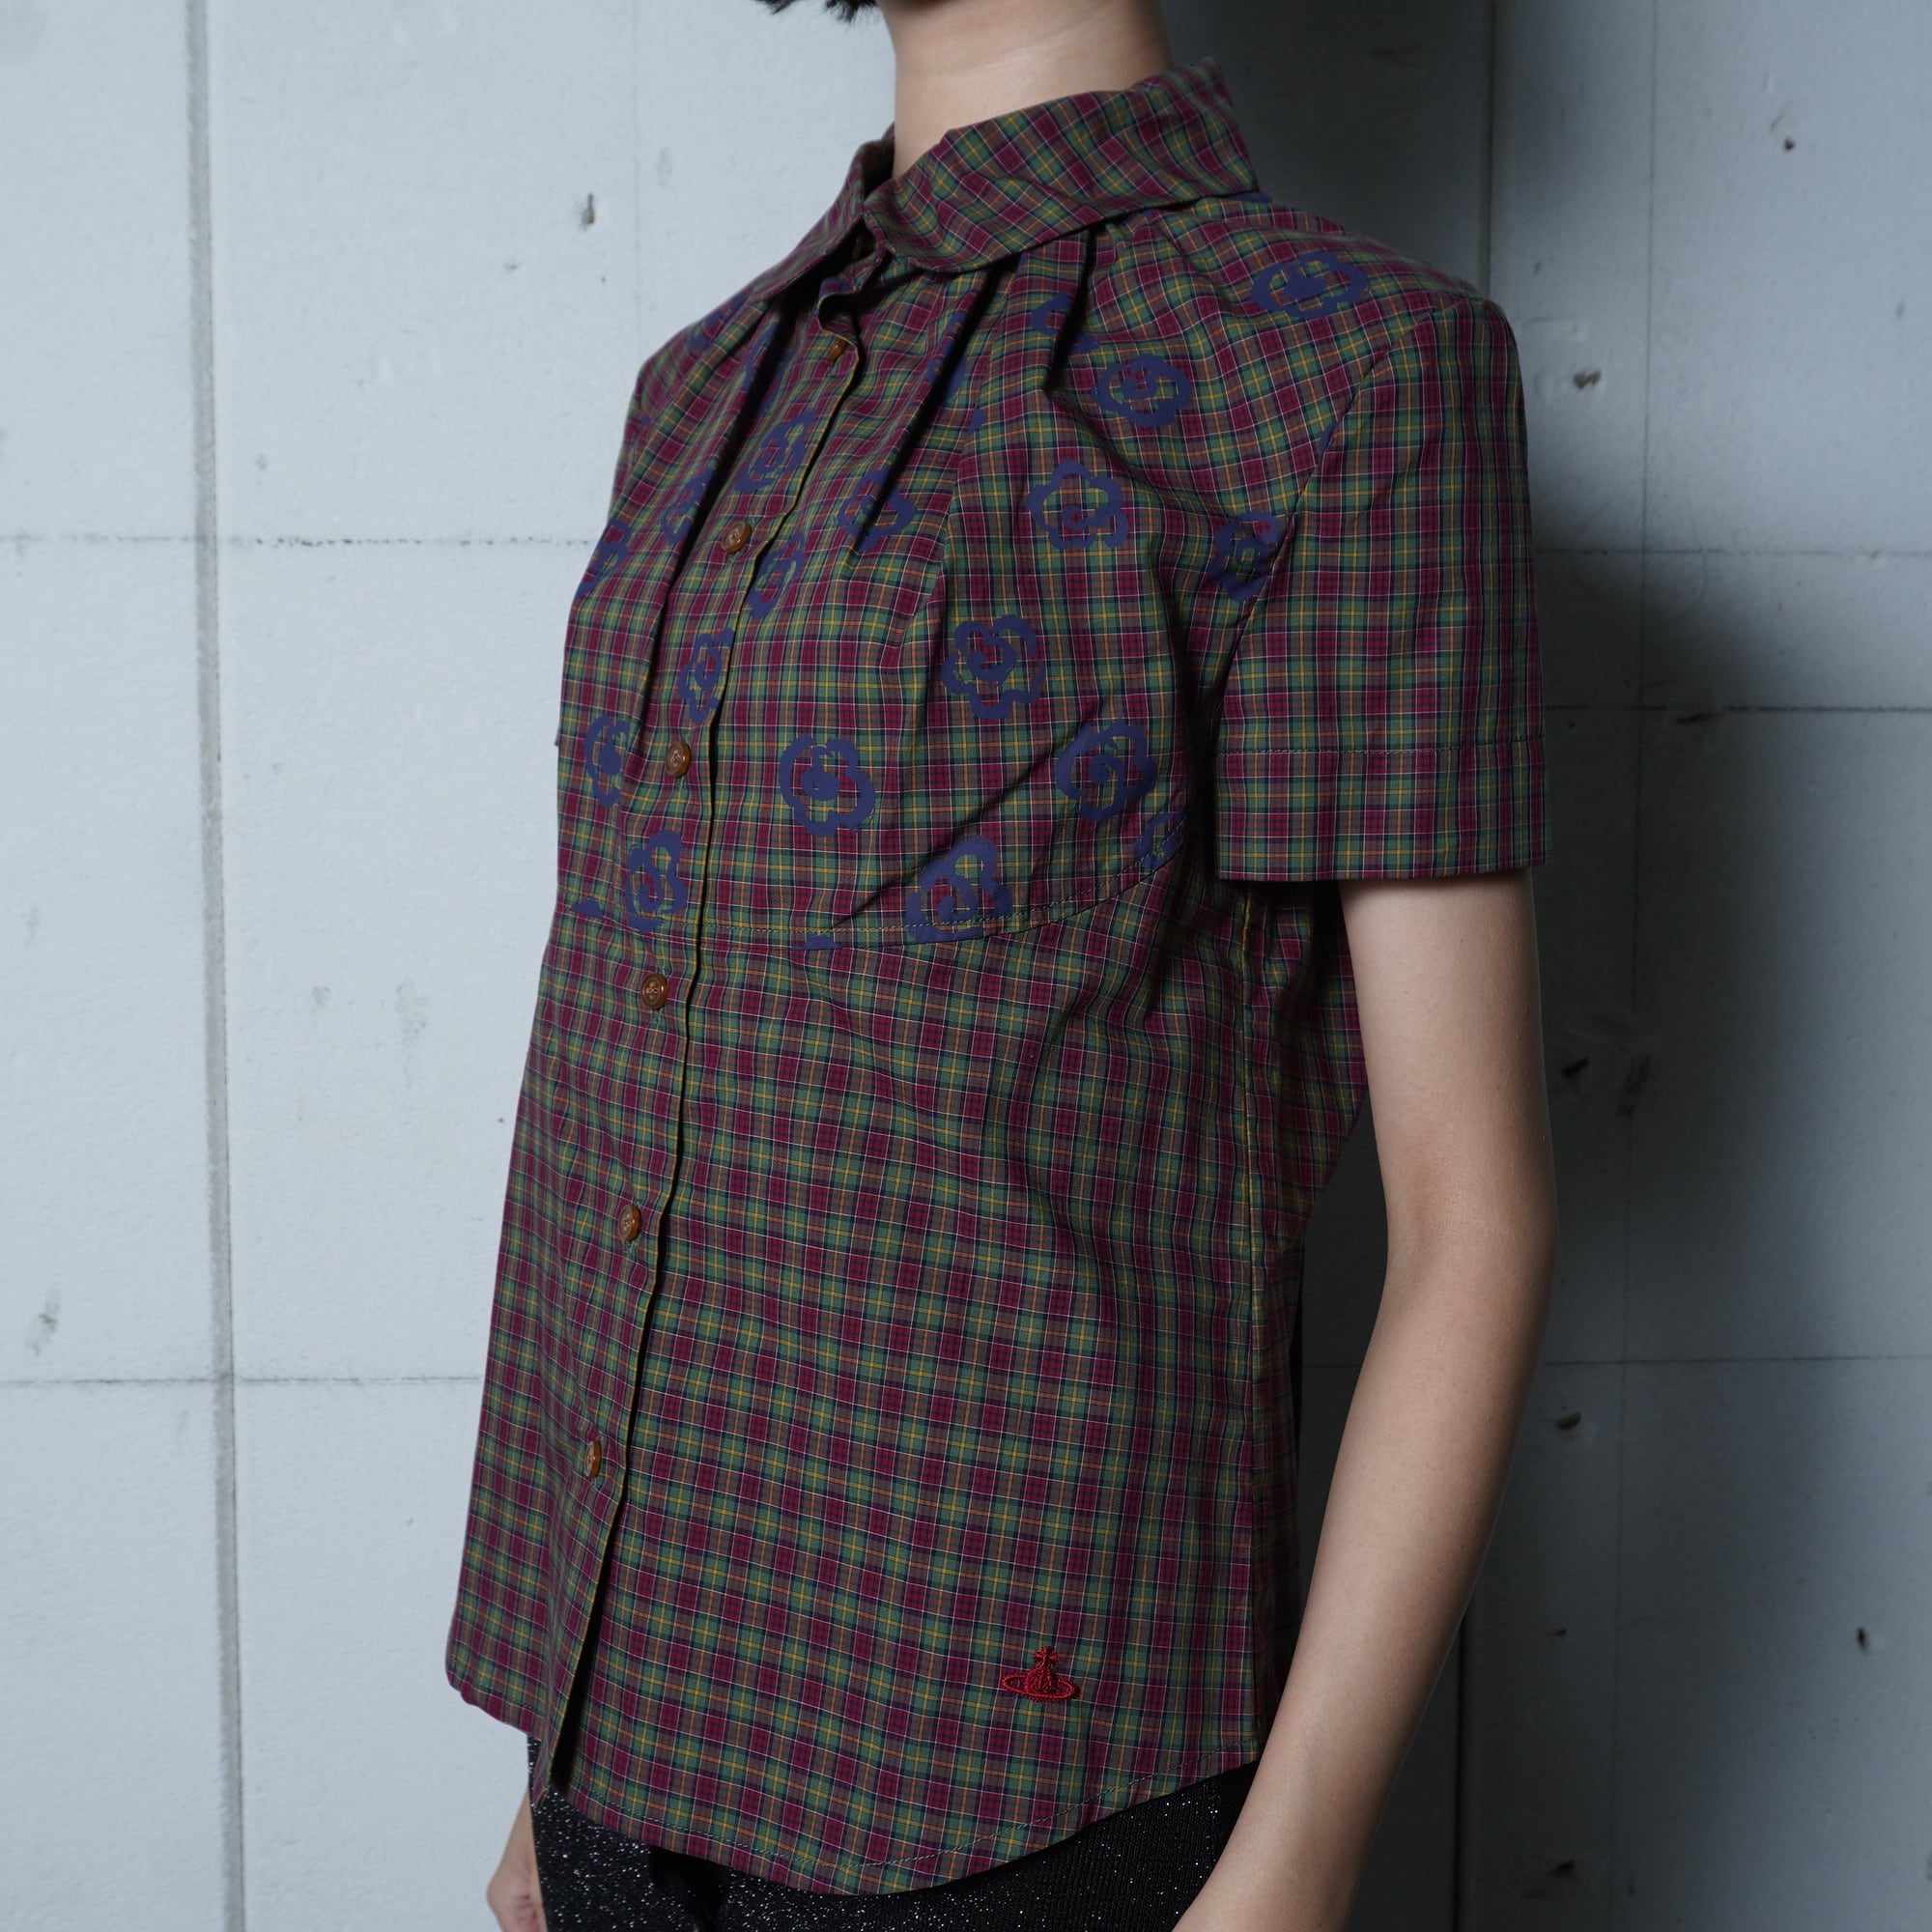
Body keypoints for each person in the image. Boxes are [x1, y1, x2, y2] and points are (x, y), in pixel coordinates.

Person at [454, 1, 1560, 1926]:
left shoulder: (1344, 368)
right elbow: (651, 1058)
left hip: (1008, 1788)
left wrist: (1295, 1861)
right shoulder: (704, 384)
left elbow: (1473, 1211)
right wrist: (558, 1769)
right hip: (619, 1755)